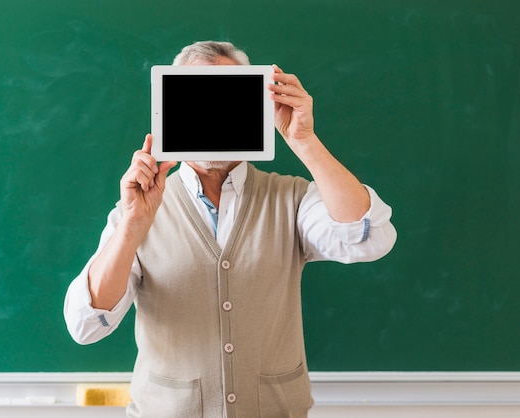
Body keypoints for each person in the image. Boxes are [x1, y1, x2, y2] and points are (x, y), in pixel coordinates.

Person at [64, 41, 397, 417]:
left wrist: (304, 141)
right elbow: (87, 325)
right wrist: (131, 227)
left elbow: (370, 237)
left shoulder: (291, 198)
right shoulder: (137, 210)